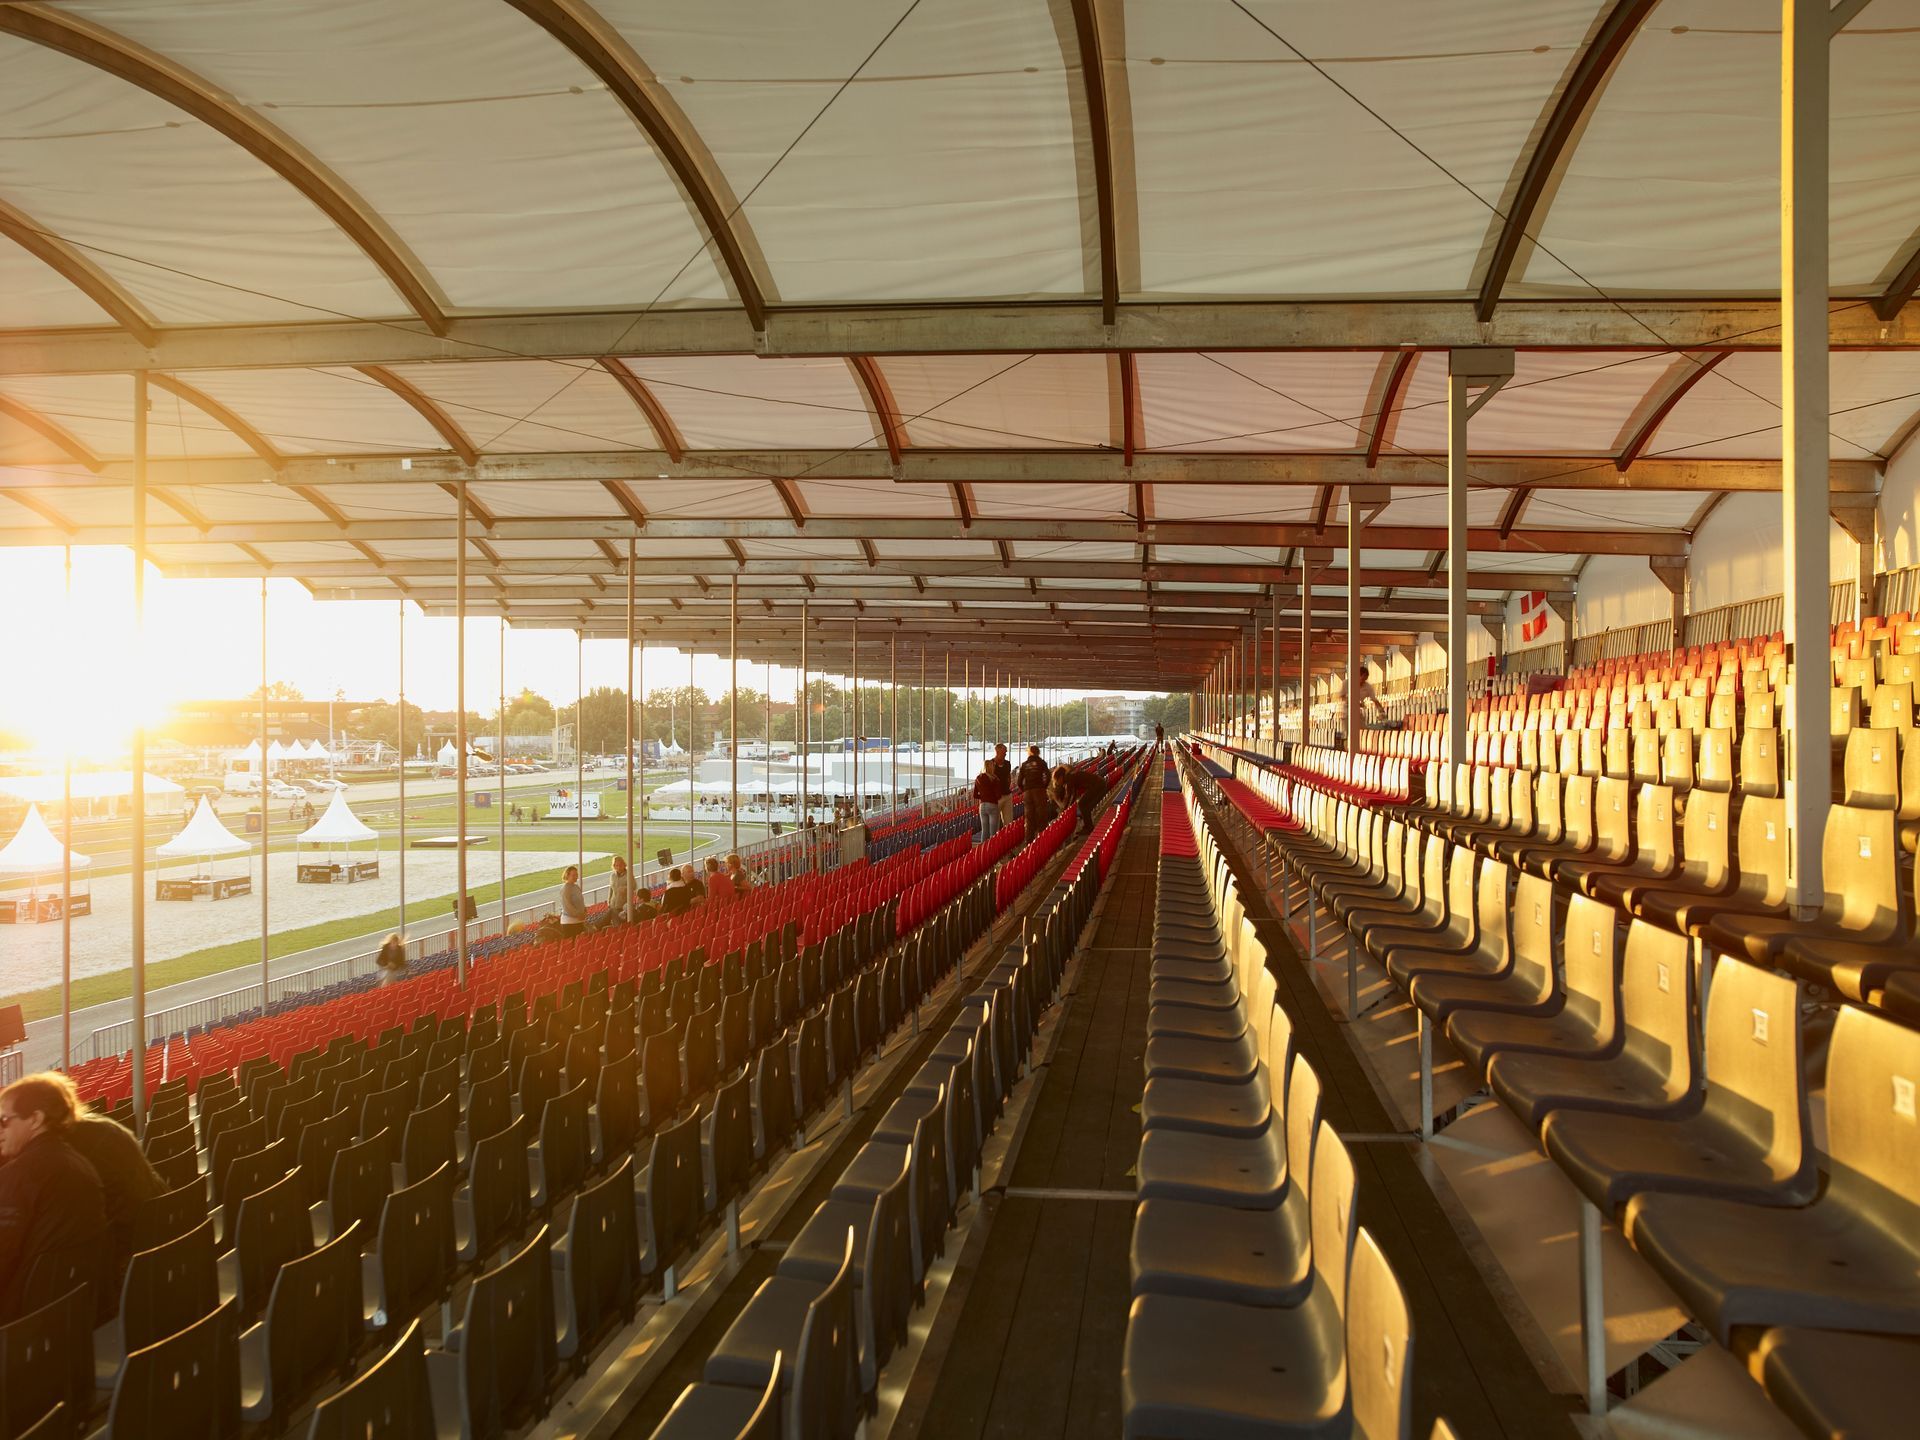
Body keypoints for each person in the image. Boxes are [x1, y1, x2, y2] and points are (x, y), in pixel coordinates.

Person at [0, 1073, 109, 1324]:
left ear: (35, 1119)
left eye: (4, 1120)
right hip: (70, 1309)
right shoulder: (79, 1164)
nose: (0, 1130)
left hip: (22, 1316)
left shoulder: (19, 1176)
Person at [53, 1076, 160, 1301]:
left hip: (120, 1267)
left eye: (7, 1120)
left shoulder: (67, 1155)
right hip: (154, 1237)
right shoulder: (107, 1129)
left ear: (36, 1120)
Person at [1017, 745, 1051, 838]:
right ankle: (1042, 838)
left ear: (1029, 752)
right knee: (1041, 815)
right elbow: (1048, 775)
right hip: (1039, 790)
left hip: (1028, 792)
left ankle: (1029, 840)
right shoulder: (1042, 762)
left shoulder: (1024, 764)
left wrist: (1024, 790)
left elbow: (1019, 781)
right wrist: (1044, 787)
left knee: (1029, 817)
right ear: (1038, 752)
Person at [594, 856, 630, 930]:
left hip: (623, 905)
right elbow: (611, 888)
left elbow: (633, 887)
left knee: (613, 915)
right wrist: (609, 901)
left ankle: (597, 927)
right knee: (612, 914)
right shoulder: (613, 875)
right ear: (614, 866)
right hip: (614, 904)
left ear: (624, 864)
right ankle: (598, 927)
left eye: (620, 865)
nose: (618, 867)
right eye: (616, 865)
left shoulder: (629, 875)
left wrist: (625, 888)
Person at [972, 761, 1002, 839]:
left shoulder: (978, 778)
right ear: (992, 767)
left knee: (984, 831)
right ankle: (992, 846)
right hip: (992, 805)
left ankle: (983, 845)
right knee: (993, 833)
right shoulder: (995, 778)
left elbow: (975, 795)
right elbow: (998, 795)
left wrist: (983, 797)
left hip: (982, 806)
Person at [986, 744, 1013, 827]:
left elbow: (1008, 777)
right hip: (995, 798)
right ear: (997, 751)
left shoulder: (1007, 764)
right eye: (1004, 751)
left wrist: (1007, 786)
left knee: (1009, 822)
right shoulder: (991, 764)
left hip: (1007, 795)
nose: (1005, 753)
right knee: (995, 823)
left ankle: (1008, 834)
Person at [558, 865, 587, 938]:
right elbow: (567, 906)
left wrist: (584, 911)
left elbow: (581, 902)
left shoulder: (576, 887)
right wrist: (578, 915)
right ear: (567, 876)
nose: (576, 877)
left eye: (576, 875)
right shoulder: (565, 889)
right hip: (569, 923)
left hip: (579, 921)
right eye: (573, 875)